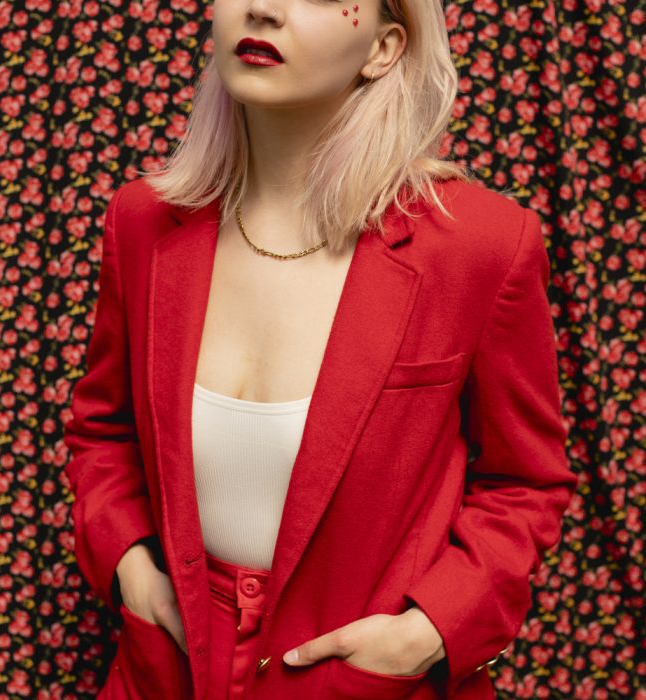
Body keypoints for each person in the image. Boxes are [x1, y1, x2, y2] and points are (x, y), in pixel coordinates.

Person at [63, 0, 578, 698]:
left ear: (384, 47)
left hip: (354, 683)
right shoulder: (141, 221)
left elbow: (525, 483)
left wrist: (429, 632)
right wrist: (131, 569)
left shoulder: (480, 246)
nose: (263, 9)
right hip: (165, 671)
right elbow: (104, 431)